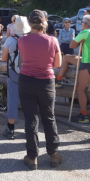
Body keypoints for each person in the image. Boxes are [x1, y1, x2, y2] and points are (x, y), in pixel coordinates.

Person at [18, 10, 63, 169]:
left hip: (26, 80)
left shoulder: (22, 40)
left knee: (31, 119)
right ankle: (54, 155)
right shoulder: (53, 40)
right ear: (45, 23)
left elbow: (23, 59)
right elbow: (57, 64)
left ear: (30, 23)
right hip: (46, 82)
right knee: (49, 117)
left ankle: (32, 157)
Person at [55, 15, 90, 123]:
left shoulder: (85, 32)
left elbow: (72, 46)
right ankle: (58, 79)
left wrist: (78, 41)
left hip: (87, 62)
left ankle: (84, 115)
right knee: (67, 57)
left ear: (84, 24)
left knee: (80, 89)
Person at [1, 16, 31, 139]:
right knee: (29, 101)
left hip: (14, 73)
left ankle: (10, 128)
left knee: (12, 100)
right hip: (28, 74)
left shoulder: (10, 40)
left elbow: (3, 58)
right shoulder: (31, 40)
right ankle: (30, 128)